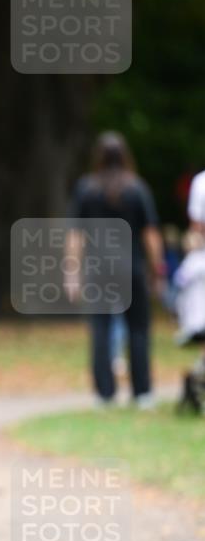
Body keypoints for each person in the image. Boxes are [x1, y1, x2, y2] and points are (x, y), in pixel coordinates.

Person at [68, 131, 165, 409]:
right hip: (131, 268)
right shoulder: (137, 189)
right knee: (138, 329)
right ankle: (142, 392)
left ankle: (104, 394)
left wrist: (72, 272)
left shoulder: (87, 189)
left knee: (100, 329)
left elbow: (76, 235)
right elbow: (151, 234)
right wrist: (157, 270)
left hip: (99, 270)